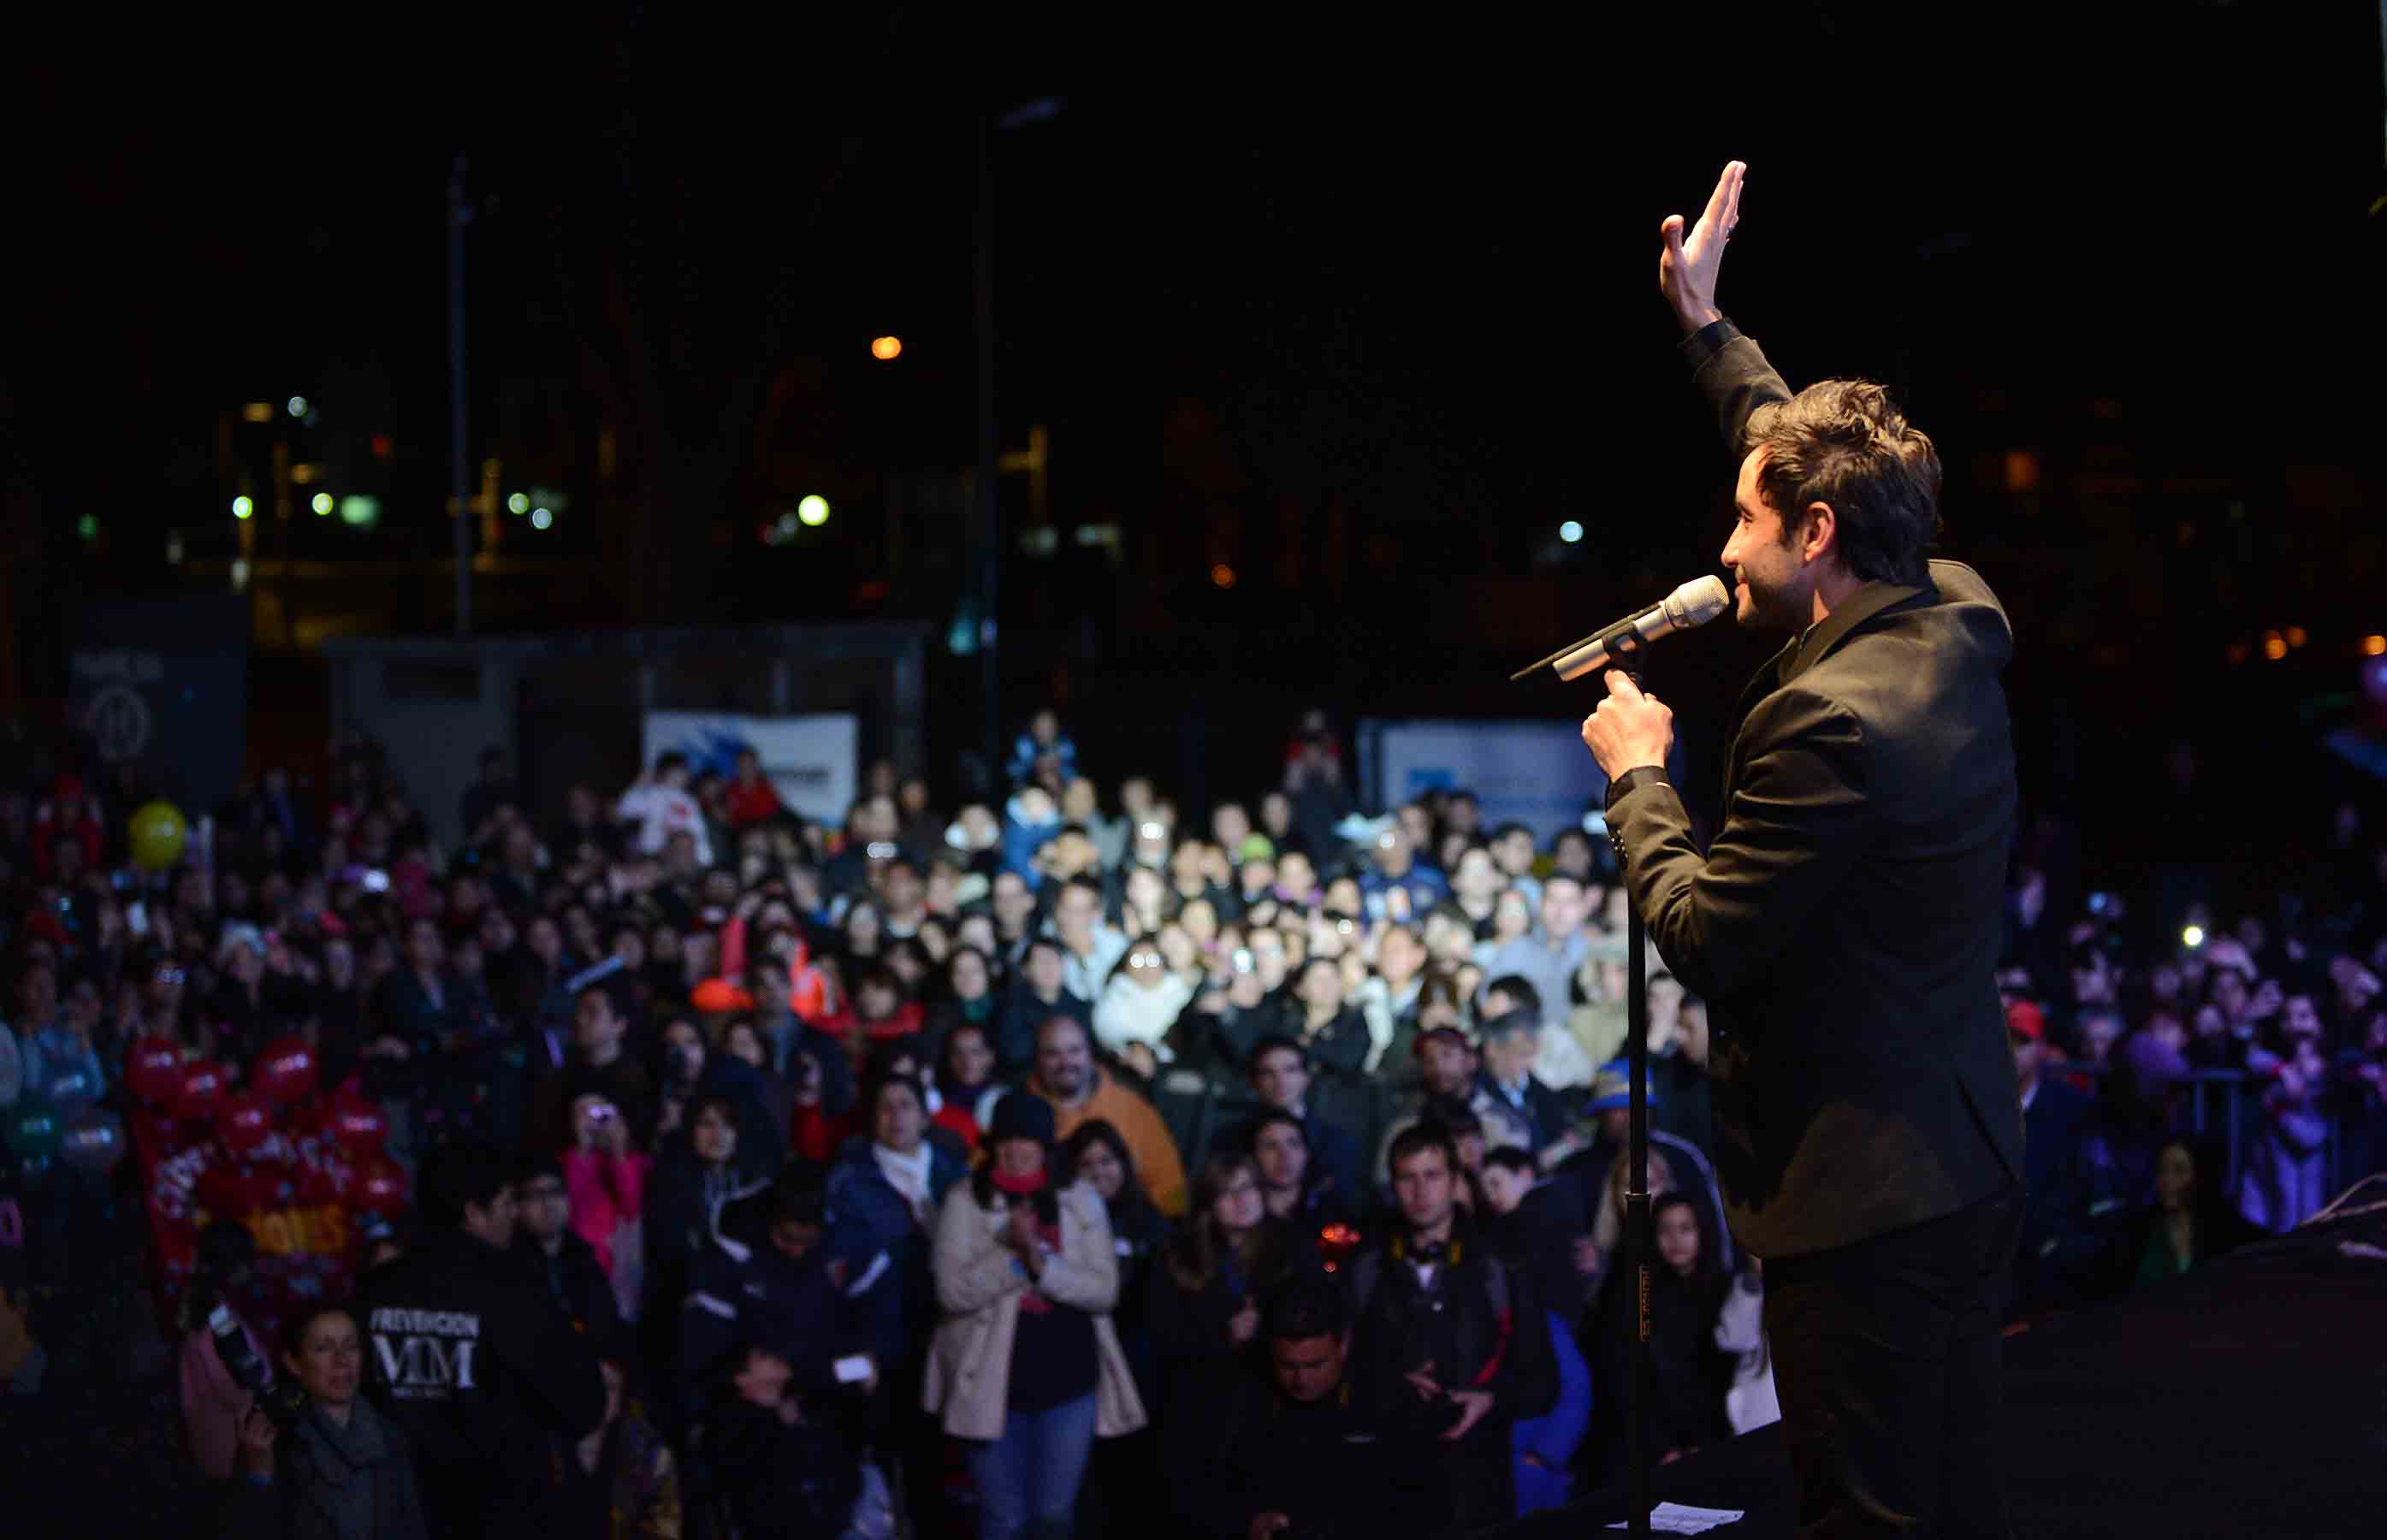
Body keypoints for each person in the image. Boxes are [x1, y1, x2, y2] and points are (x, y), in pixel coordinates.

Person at [1581, 159, 2026, 1536]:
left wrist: (1640, 780)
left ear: (1814, 534)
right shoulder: (1953, 606)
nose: (1725, 541)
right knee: (1948, 1490)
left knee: (1865, 1509)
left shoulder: (1828, 721)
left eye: (1746, 519)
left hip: (1860, 1208)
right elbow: (1786, 434)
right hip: (1961, 1161)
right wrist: (1708, 327)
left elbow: (1707, 935)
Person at [356, 1140, 606, 1539]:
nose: (514, 1214)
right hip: (499, 1513)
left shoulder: (374, 1290)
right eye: (508, 1202)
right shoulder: (512, 1290)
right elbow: (582, 1402)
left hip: (391, 1510)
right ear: (473, 1213)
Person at [926, 1093, 1147, 1540]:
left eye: (1027, 1141)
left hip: (1070, 1385)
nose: (1016, 1151)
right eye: (1007, 1141)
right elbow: (951, 1292)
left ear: (1045, 1146)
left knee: (1053, 1518)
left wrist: (1045, 1268)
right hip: (990, 1385)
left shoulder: (1080, 1200)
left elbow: (1104, 1290)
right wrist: (1013, 1258)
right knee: (1002, 1519)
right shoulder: (965, 1200)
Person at [1345, 1122, 1556, 1533]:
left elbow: (1544, 1381)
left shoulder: (1502, 1265)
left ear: (1456, 1181)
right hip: (1386, 1483)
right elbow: (1333, 1372)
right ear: (1392, 1184)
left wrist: (1490, 1399)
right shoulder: (1365, 1266)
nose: (1420, 1191)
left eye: (1432, 1175)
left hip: (1477, 1484)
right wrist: (1387, 1383)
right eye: (1407, 1178)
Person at [1200, 1276, 1421, 1540]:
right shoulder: (1241, 1398)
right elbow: (1205, 1491)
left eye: (1315, 1365)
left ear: (1344, 1345)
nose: (1301, 1380)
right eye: (1288, 1366)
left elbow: (1422, 1505)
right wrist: (1248, 1521)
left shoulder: (1384, 1398)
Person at [223, 1305, 431, 1540]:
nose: (342, 1360)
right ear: (293, 1362)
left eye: (351, 1346)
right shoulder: (270, 1440)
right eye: (323, 1348)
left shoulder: (391, 1438)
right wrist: (259, 1474)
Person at [1590, 1193, 1732, 1483]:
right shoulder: (1634, 1294)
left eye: (1685, 1228)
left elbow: (1724, 1377)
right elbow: (1622, 1377)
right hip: (1650, 1449)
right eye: (1665, 1230)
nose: (1675, 1239)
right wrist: (1662, 1447)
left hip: (1715, 1442)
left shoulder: (1726, 1291)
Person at [1020, 1013, 1189, 1217]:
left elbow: (1169, 1183)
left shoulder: (1133, 1109)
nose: (1065, 1062)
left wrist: (1168, 1227)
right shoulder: (1019, 1114)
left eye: (1074, 1050)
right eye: (1052, 1053)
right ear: (1037, 1058)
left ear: (1090, 1053)